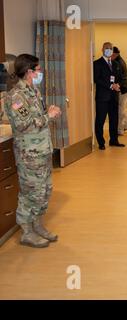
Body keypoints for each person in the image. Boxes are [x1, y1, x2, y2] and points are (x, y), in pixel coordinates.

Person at [4, 54, 61, 248]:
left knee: (44, 190)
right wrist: (49, 117)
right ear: (29, 72)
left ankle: (38, 225)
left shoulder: (33, 91)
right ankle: (27, 232)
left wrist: (47, 113)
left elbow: (37, 117)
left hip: (42, 150)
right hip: (29, 154)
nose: (40, 73)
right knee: (30, 192)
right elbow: (24, 125)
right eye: (38, 70)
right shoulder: (15, 96)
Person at [93, 42, 124, 150]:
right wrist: (111, 86)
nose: (109, 50)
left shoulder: (116, 64)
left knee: (114, 120)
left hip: (114, 97)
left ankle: (114, 140)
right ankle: (101, 142)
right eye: (107, 48)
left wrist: (117, 85)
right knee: (100, 120)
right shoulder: (97, 63)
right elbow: (97, 79)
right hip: (102, 97)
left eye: (110, 48)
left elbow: (120, 78)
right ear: (102, 49)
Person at [111, 46, 127, 135]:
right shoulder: (118, 61)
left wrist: (117, 86)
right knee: (121, 109)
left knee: (120, 110)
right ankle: (126, 125)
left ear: (115, 54)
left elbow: (122, 78)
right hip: (123, 89)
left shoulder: (119, 63)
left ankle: (120, 130)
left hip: (122, 89)